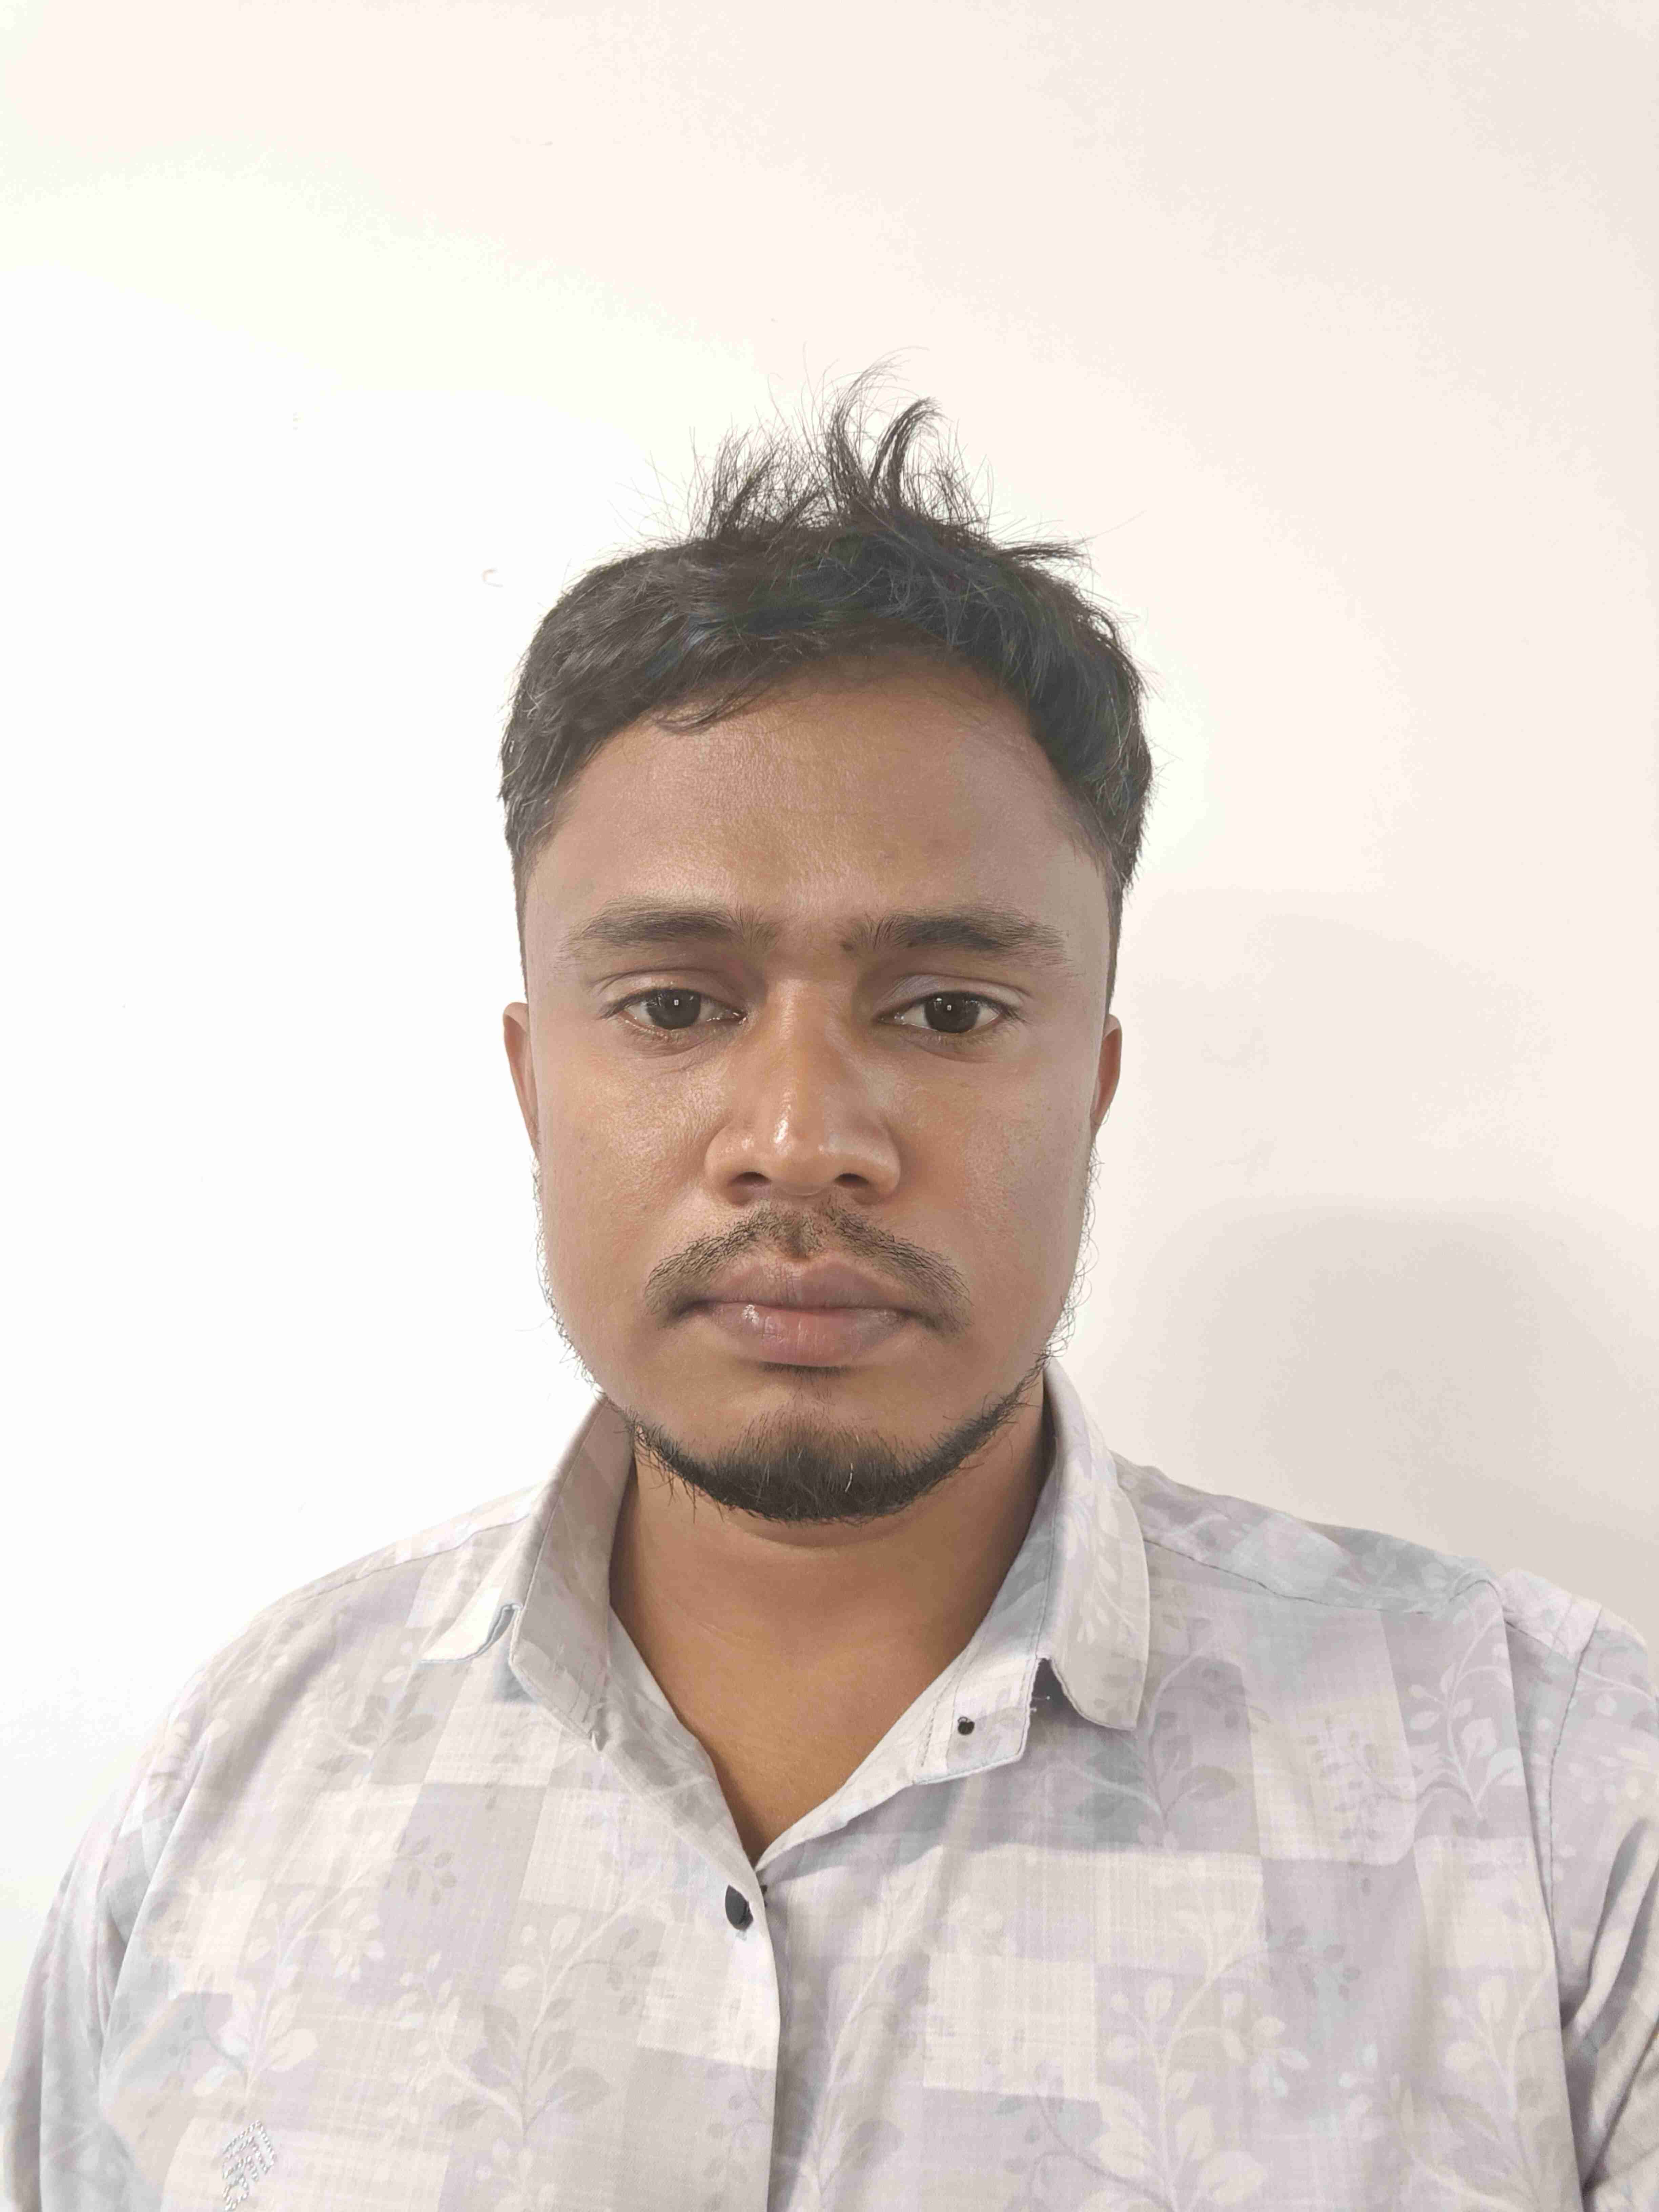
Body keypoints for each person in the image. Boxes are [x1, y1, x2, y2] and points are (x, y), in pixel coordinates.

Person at [4, 373, 1654, 2212]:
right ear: (534, 1081)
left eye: (946, 1010)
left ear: (1093, 1086)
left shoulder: (1559, 1789)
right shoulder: (249, 1769)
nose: (800, 1141)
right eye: (675, 1006)